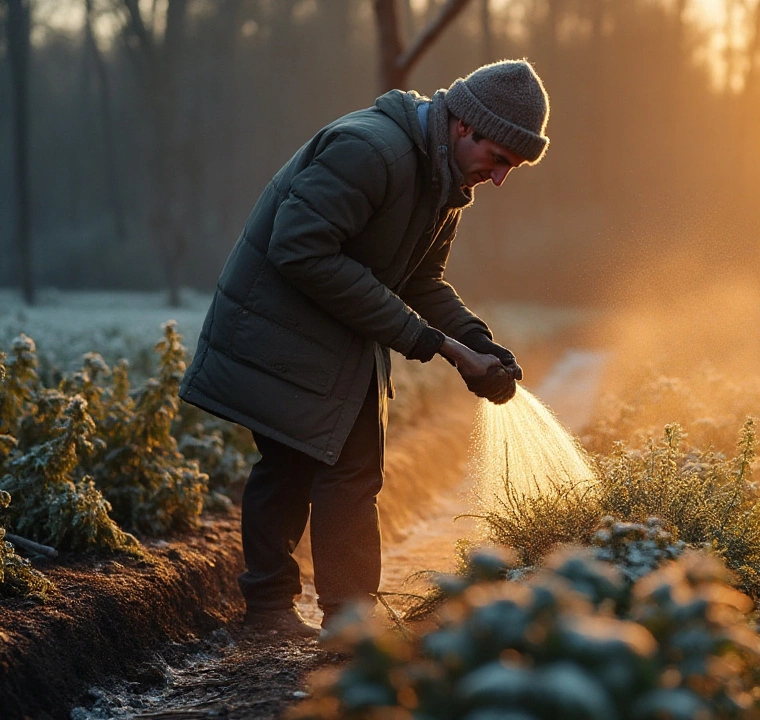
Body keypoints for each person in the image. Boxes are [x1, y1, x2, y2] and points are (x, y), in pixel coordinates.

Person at [179, 60, 551, 639]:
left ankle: (331, 618)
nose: (500, 177)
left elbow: (421, 280)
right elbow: (300, 250)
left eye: (513, 168)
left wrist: (478, 341)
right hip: (279, 332)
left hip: (333, 337)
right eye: (500, 158)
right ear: (463, 126)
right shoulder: (370, 151)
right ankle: (298, 615)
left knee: (335, 470)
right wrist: (437, 345)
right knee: (298, 467)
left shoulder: (443, 184)